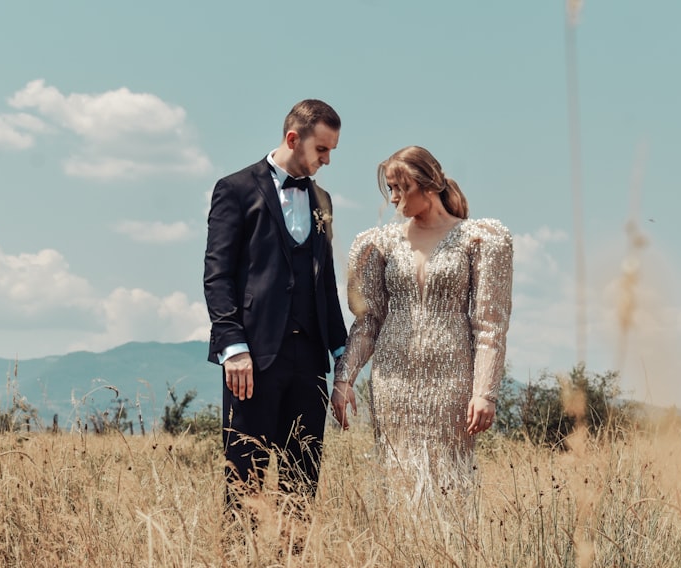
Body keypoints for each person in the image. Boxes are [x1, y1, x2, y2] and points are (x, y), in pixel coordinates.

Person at [331, 146, 513, 502]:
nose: (395, 198)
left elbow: (490, 325)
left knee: (448, 482)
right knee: (397, 479)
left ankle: (448, 556)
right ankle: (401, 554)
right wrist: (344, 377)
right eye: (390, 188)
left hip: (452, 380)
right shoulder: (376, 245)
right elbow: (368, 321)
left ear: (428, 184)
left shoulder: (479, 238)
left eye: (401, 188)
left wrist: (484, 392)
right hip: (392, 380)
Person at [203, 99, 348, 516]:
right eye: (321, 150)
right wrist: (233, 347)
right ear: (292, 138)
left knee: (302, 483)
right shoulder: (235, 189)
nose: (326, 160)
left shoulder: (323, 200)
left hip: (309, 362)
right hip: (254, 359)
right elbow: (217, 275)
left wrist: (341, 357)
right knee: (244, 480)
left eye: (331, 151)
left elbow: (325, 284)